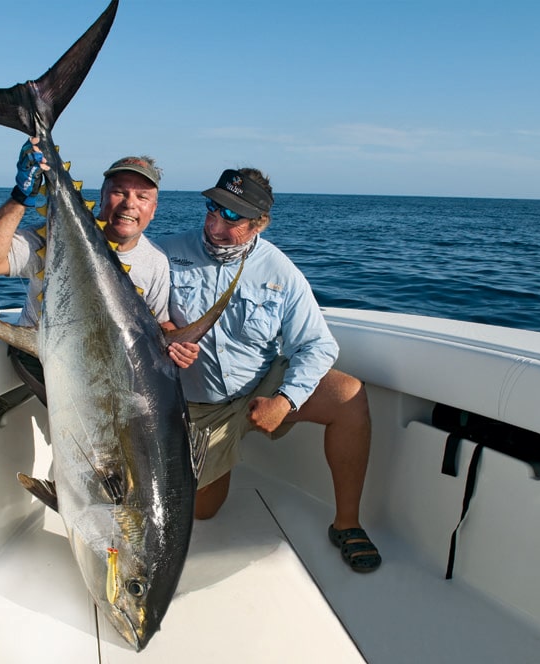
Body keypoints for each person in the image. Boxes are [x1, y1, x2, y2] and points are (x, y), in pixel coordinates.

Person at [158, 168, 381, 573]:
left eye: (232, 217)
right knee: (204, 511)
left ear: (260, 223)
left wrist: (285, 399)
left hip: (260, 386)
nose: (215, 223)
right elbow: (130, 314)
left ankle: (347, 522)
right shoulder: (165, 254)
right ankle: (217, 458)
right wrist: (162, 331)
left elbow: (318, 344)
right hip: (194, 406)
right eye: (213, 208)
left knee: (349, 395)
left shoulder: (281, 271)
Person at [0, 139, 169, 387]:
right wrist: (21, 196)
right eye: (119, 192)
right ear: (103, 196)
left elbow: (158, 325)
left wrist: (182, 344)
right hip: (38, 362)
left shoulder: (156, 261)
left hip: (105, 375)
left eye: (142, 196)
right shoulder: (51, 239)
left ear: (154, 208)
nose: (130, 203)